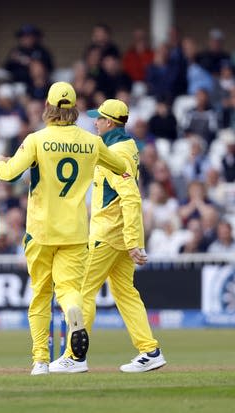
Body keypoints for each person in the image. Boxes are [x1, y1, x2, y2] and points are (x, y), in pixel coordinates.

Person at [0, 82, 127, 376]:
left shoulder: (37, 140)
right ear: (75, 109)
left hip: (41, 230)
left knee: (41, 295)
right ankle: (72, 314)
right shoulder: (92, 142)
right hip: (76, 231)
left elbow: (9, 174)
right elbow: (121, 166)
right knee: (69, 291)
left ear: (48, 108)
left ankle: (40, 360)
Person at [53, 99, 166, 373]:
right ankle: (149, 350)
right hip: (117, 235)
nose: (95, 122)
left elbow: (131, 197)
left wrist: (133, 241)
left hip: (108, 235)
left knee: (82, 293)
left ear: (110, 123)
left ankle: (74, 356)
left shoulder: (118, 153)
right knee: (125, 293)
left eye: (99, 119)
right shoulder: (123, 148)